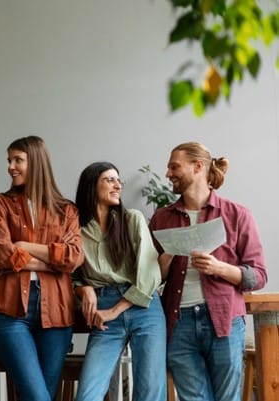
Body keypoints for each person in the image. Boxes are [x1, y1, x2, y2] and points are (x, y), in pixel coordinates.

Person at [149, 142, 267, 401]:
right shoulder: (161, 218)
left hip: (224, 321)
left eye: (174, 166)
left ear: (198, 166)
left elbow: (258, 275)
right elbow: (151, 278)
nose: (168, 173)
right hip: (178, 322)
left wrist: (220, 268)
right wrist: (166, 258)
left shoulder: (237, 215)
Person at [0, 135, 84, 401]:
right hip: (9, 312)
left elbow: (74, 258)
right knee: (37, 397)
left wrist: (24, 245)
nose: (10, 167)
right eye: (9, 160)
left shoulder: (67, 211)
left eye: (18, 160)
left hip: (57, 314)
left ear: (37, 163)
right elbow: (3, 254)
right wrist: (54, 263)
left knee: (44, 396)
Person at [72, 162, 167, 401]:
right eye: (109, 180)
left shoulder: (131, 219)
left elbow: (150, 274)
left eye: (118, 180)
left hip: (144, 306)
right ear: (92, 186)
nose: (117, 185)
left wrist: (115, 310)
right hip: (102, 309)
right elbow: (69, 272)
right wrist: (84, 289)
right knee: (87, 394)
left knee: (149, 392)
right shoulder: (77, 230)